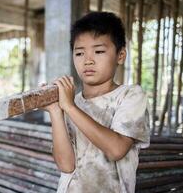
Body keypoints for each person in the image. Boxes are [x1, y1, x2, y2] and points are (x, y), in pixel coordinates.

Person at [42, 12, 150, 193]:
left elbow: (116, 150)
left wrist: (69, 107)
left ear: (120, 55)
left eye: (99, 51)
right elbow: (66, 165)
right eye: (79, 53)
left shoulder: (131, 96)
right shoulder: (73, 103)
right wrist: (55, 111)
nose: (88, 60)